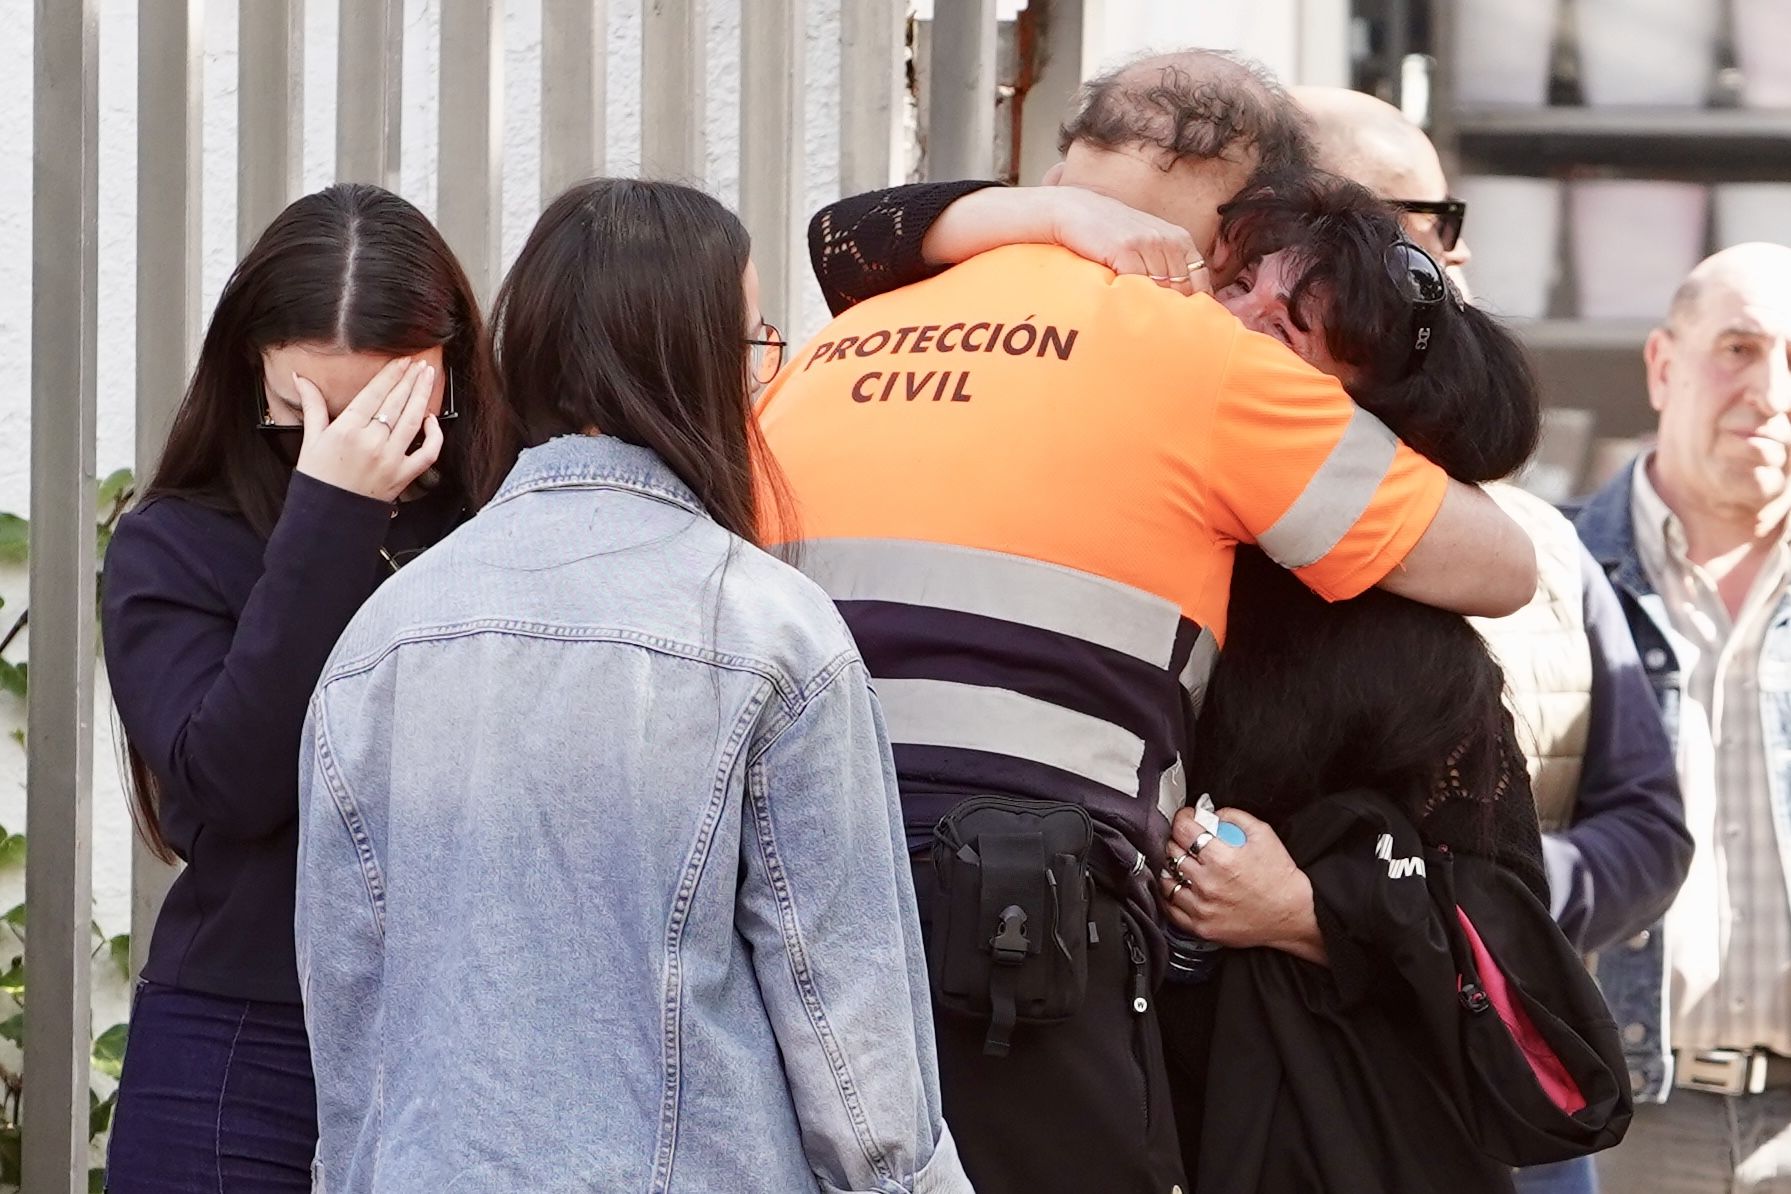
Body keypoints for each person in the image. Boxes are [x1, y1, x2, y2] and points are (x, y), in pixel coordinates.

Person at [761, 49, 1538, 1194]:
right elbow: (1500, 566)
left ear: (1063, 169)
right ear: (1247, 218)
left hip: (770, 897)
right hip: (1015, 935)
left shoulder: (834, 341)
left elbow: (846, 235)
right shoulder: (1203, 357)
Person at [294, 178, 968, 1194]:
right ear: (697, 363)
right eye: (752, 345)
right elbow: (848, 1032)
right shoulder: (769, 630)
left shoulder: (383, 635)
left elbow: (350, 1016)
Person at [1290, 86, 1694, 1194]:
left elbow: (1650, 824)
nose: (1450, 256)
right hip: (1306, 1086)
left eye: (1446, 225)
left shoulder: (1541, 547)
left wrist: (1488, 898)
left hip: (1510, 1076)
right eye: (1414, 220)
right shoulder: (1223, 533)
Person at [100, 183, 507, 1192]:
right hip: (245, 1033)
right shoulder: (173, 544)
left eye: (390, 409)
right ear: (251, 371)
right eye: (303, 416)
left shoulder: (506, 522)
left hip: (479, 1030)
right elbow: (231, 786)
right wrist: (331, 515)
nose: (349, 440)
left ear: (452, 370)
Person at [1575, 242, 1791, 1193]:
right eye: (1737, 349)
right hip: (1615, 1124)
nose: (1770, 393)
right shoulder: (1545, 575)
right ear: (1662, 365)